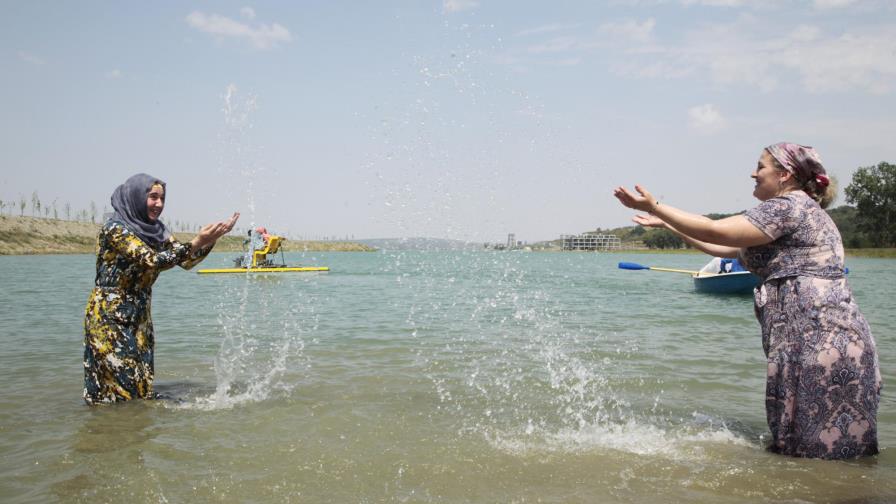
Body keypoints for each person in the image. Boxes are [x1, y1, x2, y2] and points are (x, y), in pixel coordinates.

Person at [614, 142, 880, 459]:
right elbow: (720, 245)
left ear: (784, 174)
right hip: (826, 340)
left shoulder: (787, 207)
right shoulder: (799, 211)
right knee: (827, 456)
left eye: (761, 167)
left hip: (820, 341)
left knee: (815, 453)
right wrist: (669, 224)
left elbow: (715, 229)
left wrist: (656, 205)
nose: (753, 173)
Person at [83, 173, 239, 404]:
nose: (159, 204)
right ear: (136, 196)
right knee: (116, 389)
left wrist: (210, 239)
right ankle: (107, 433)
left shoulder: (156, 230)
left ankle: (133, 433)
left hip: (140, 314)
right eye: (153, 197)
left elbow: (186, 261)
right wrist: (196, 241)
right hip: (110, 317)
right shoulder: (115, 229)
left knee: (142, 383)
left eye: (162, 198)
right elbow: (153, 260)